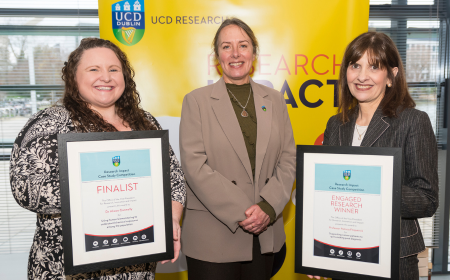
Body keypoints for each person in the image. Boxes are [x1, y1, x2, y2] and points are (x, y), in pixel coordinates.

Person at [9, 38, 186, 280]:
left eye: (114, 69)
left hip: (135, 265)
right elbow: (25, 189)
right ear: (73, 77)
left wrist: (171, 220)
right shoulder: (51, 123)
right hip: (68, 269)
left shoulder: (144, 121)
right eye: (94, 69)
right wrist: (100, 191)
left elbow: (174, 180)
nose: (106, 77)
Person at [311, 32, 438, 280]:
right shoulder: (336, 124)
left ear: (391, 76)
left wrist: (374, 190)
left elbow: (427, 199)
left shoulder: (413, 121)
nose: (361, 76)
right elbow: (326, 197)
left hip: (393, 258)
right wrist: (317, 254)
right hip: (342, 255)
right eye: (355, 65)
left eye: (374, 67)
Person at [179, 18, 296, 280]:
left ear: (253, 52)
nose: (235, 54)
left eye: (243, 45)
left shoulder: (275, 100)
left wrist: (267, 207)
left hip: (265, 232)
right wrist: (244, 212)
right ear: (217, 55)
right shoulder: (196, 101)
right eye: (226, 46)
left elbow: (288, 158)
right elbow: (194, 165)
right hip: (214, 234)